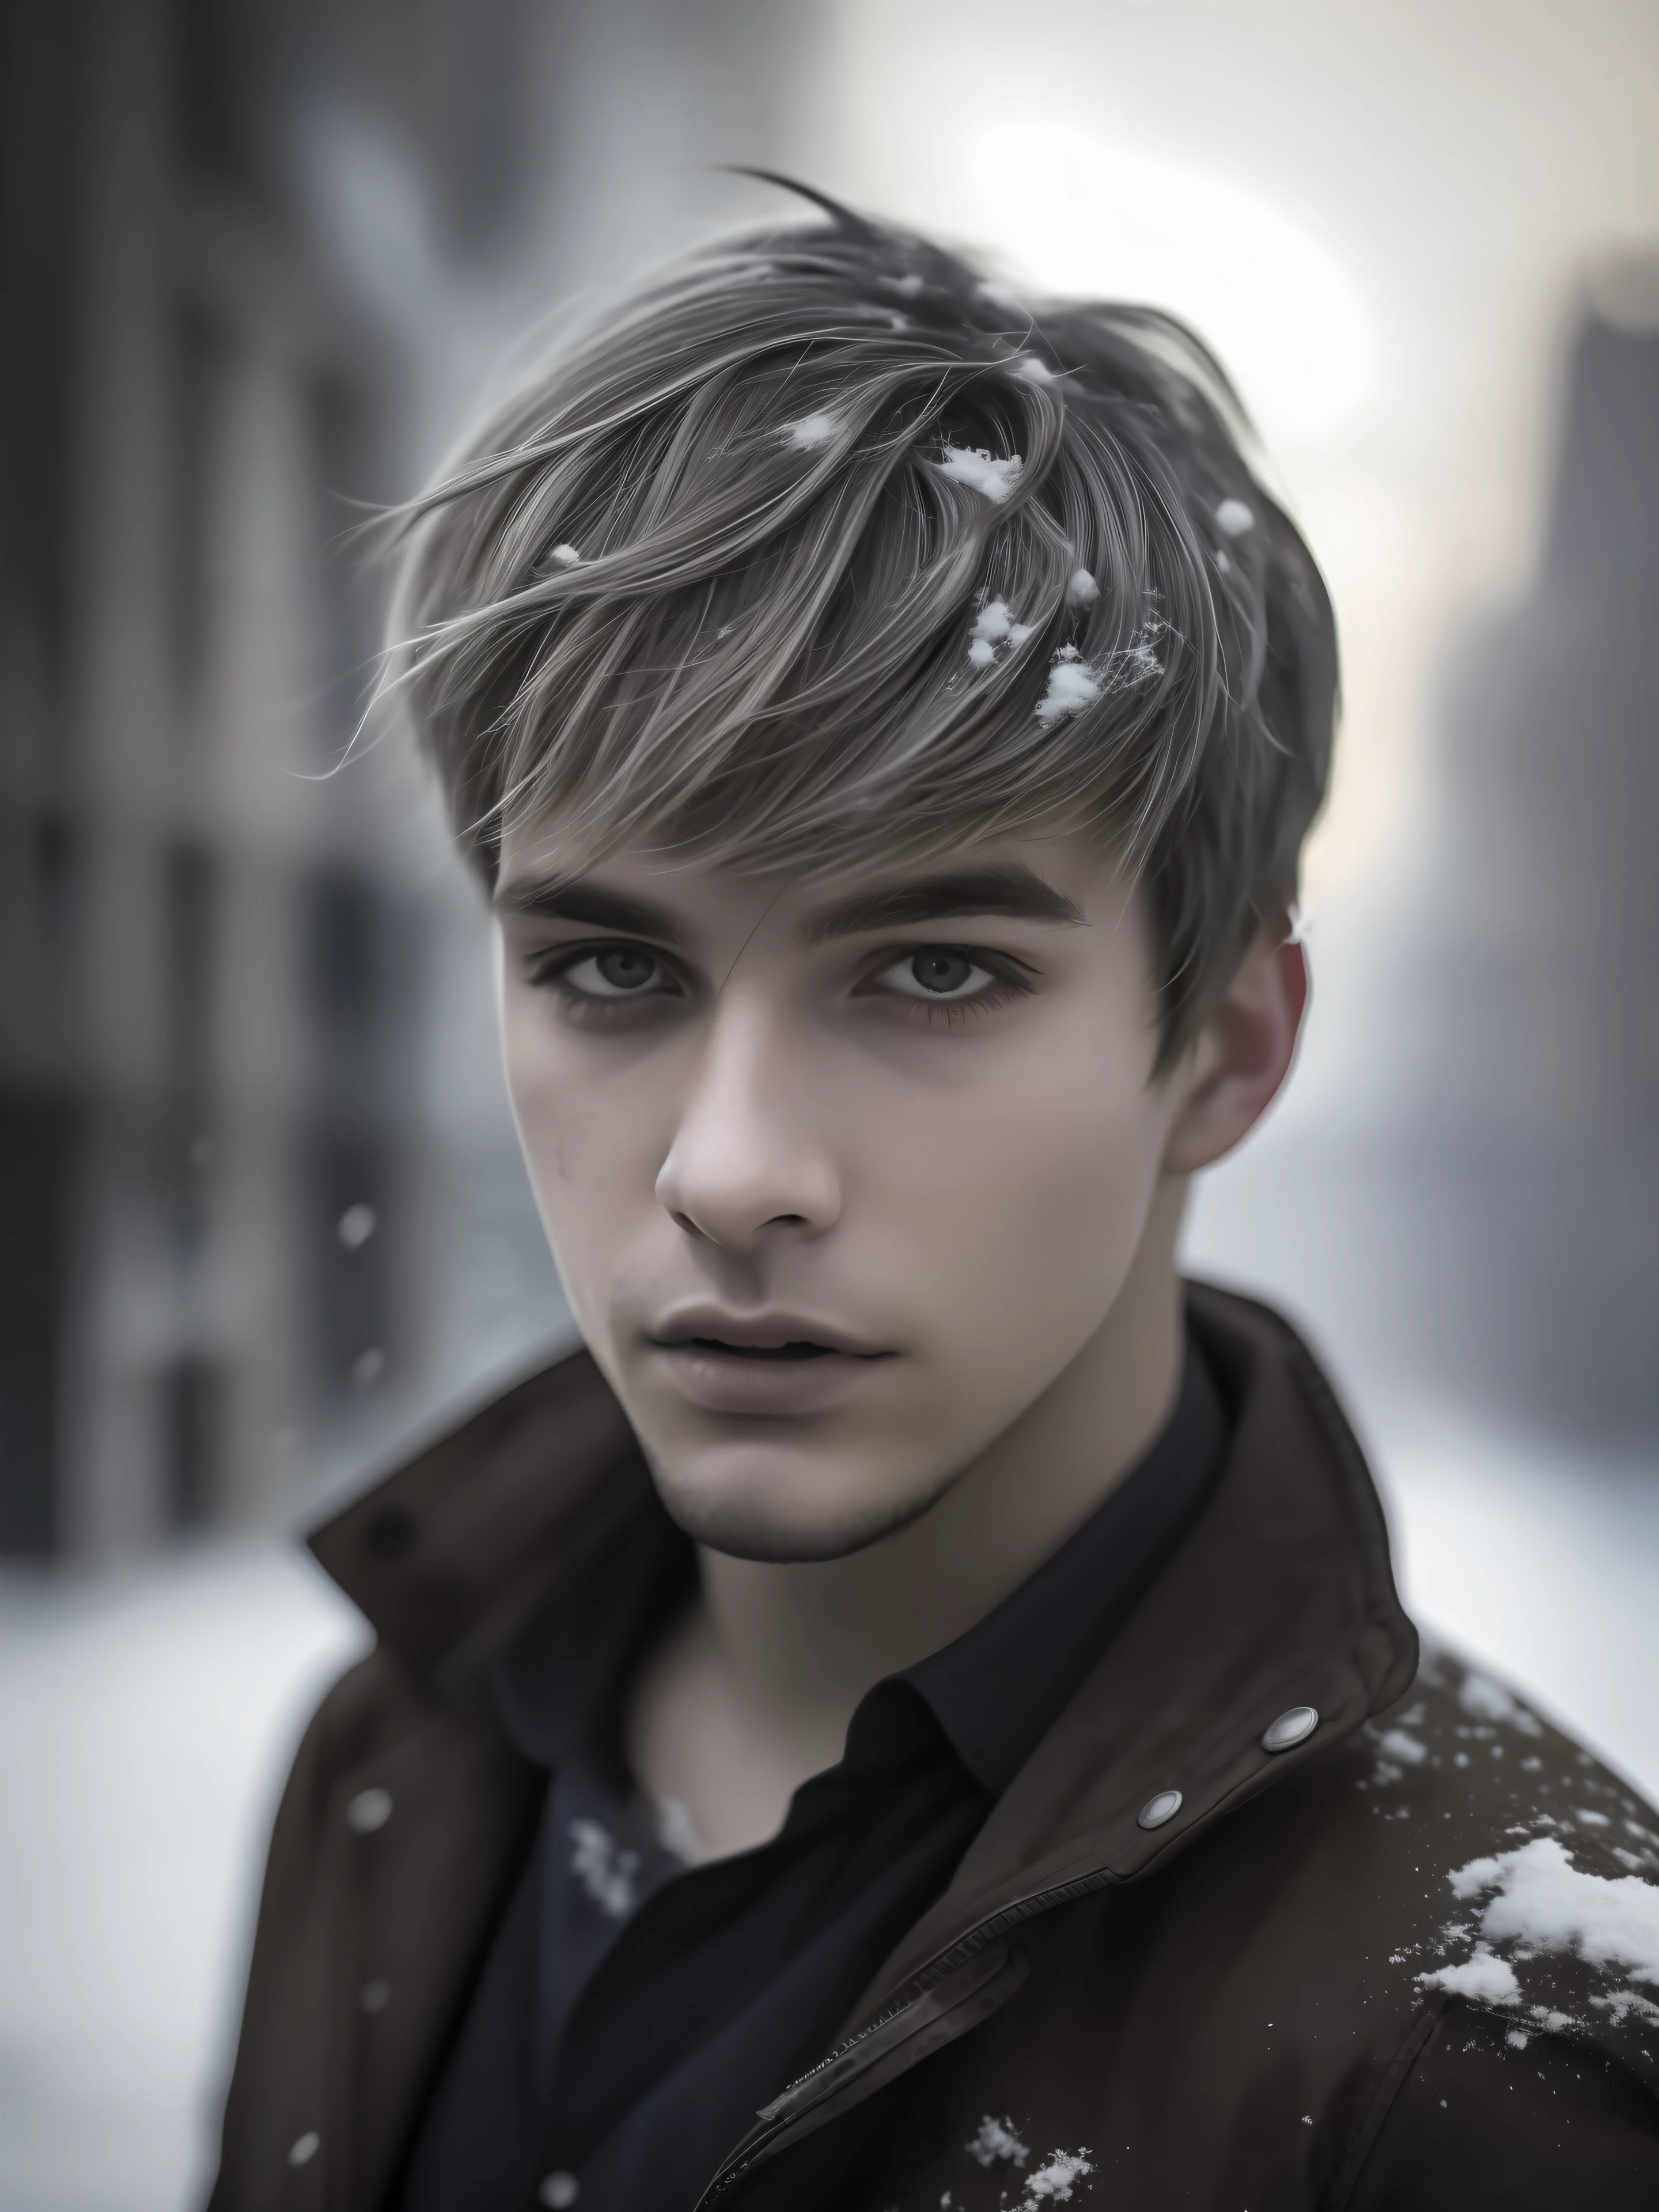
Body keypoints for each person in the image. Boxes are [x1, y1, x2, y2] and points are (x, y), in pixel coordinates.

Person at [209, 190, 1659, 2211]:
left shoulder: (1481, 2052)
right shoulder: (395, 1755)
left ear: (1231, 1047)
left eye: (936, 972)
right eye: (611, 969)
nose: (727, 1172)